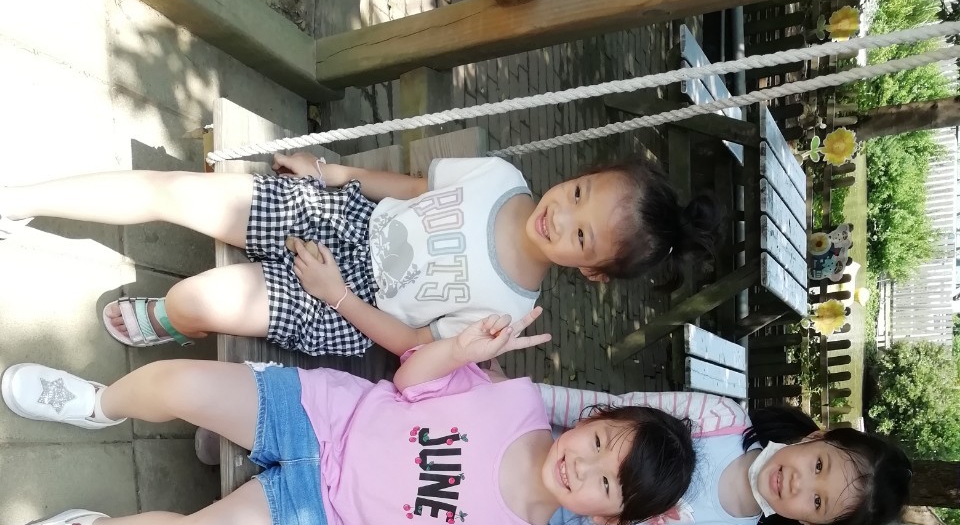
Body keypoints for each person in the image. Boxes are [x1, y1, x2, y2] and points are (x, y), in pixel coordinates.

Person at [0, 312, 696, 525]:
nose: (584, 464)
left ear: (606, 517)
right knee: (175, 383)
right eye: (600, 441)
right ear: (593, 417)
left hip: (321, 511)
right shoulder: (515, 400)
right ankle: (99, 405)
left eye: (607, 484)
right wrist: (458, 350)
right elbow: (411, 380)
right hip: (321, 412)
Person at [0, 152, 721, 357]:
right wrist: (333, 173)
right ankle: (19, 194)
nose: (560, 215)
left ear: (589, 271)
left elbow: (412, 344)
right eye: (579, 192)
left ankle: (171, 319)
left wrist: (336, 294)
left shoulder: (507, 311)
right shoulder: (500, 177)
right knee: (176, 191)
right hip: (342, 216)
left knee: (194, 300)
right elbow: (413, 187)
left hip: (348, 305)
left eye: (581, 236)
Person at [516, 385, 912, 525]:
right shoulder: (719, 417)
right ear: (816, 436)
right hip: (536, 445)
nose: (798, 483)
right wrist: (521, 395)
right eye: (819, 465)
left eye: (818, 501)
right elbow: (611, 409)